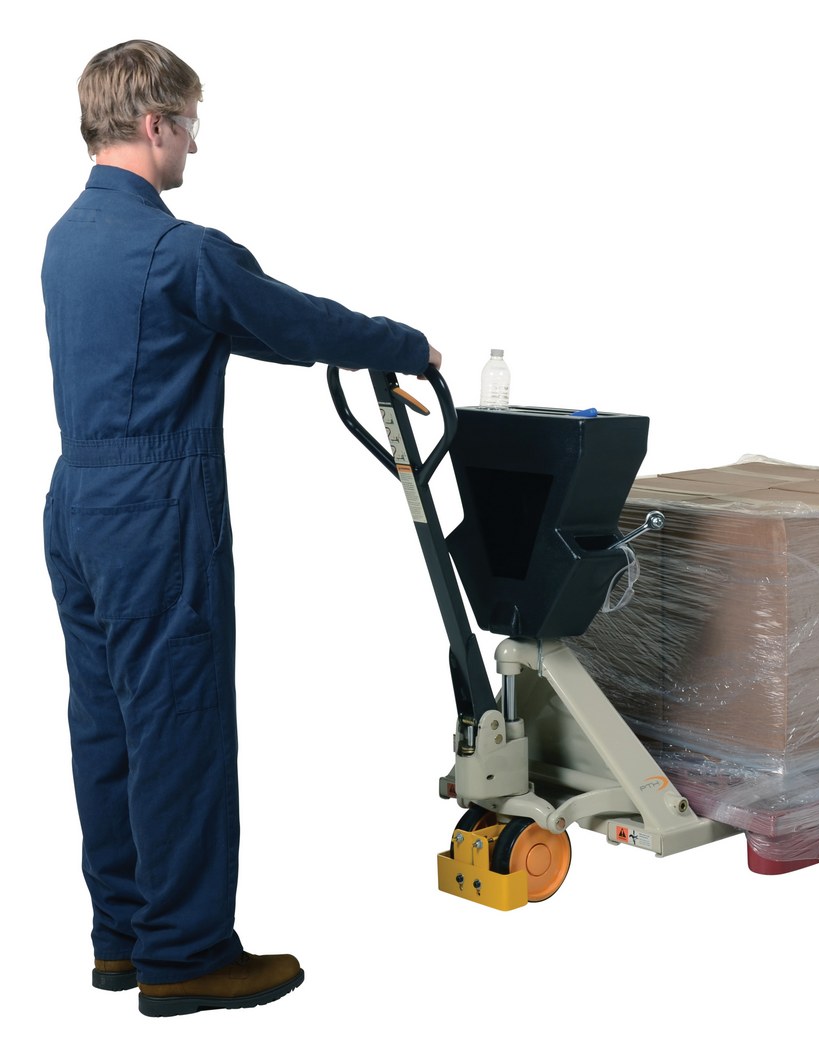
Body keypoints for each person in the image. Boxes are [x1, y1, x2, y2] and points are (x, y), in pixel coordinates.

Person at [41, 40, 440, 1017]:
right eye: (188, 127)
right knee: (177, 729)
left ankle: (121, 939)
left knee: (109, 728)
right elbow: (288, 319)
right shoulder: (180, 251)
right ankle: (185, 956)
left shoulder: (66, 239)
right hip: (153, 514)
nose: (193, 147)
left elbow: (231, 328)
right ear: (154, 123)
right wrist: (405, 346)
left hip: (78, 504)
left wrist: (344, 356)